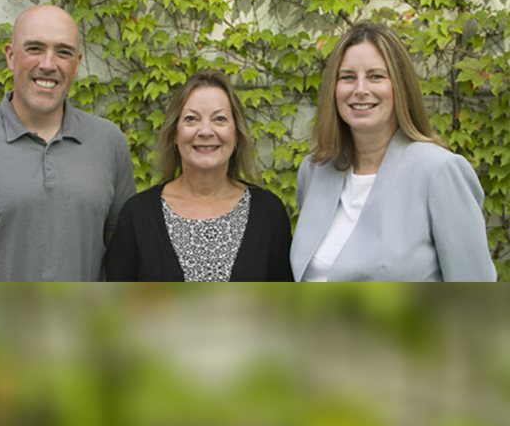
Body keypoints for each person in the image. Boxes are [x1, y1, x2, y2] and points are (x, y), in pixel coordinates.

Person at [0, 5, 136, 282]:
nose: (48, 64)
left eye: (63, 52)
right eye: (34, 48)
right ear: (11, 56)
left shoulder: (109, 142)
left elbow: (123, 257)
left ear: (77, 62)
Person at [291, 23, 497, 282]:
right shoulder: (315, 169)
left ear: (400, 86)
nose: (360, 89)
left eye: (376, 76)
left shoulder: (439, 172)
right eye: (347, 77)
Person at [106, 69, 293, 282]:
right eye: (191, 119)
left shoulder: (269, 214)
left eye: (220, 119)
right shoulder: (137, 215)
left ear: (237, 134)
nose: (205, 131)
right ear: (175, 134)